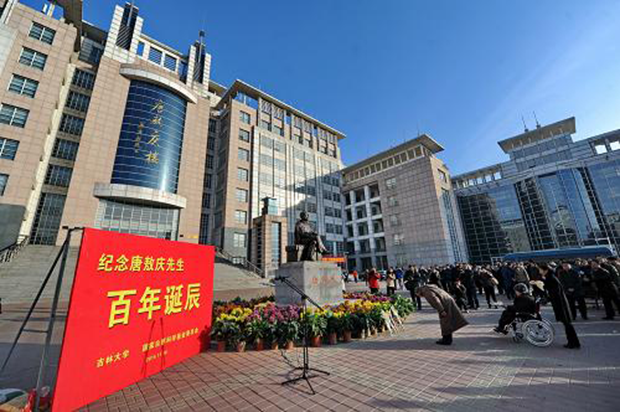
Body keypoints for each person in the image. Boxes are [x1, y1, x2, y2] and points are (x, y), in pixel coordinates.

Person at [539, 263, 581, 349]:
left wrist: (543, 287)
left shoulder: (551, 278)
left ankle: (573, 342)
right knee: (567, 324)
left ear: (545, 270)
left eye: (540, 270)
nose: (540, 272)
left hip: (560, 304)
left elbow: (554, 292)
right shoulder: (550, 277)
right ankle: (573, 342)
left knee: (567, 324)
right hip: (560, 303)